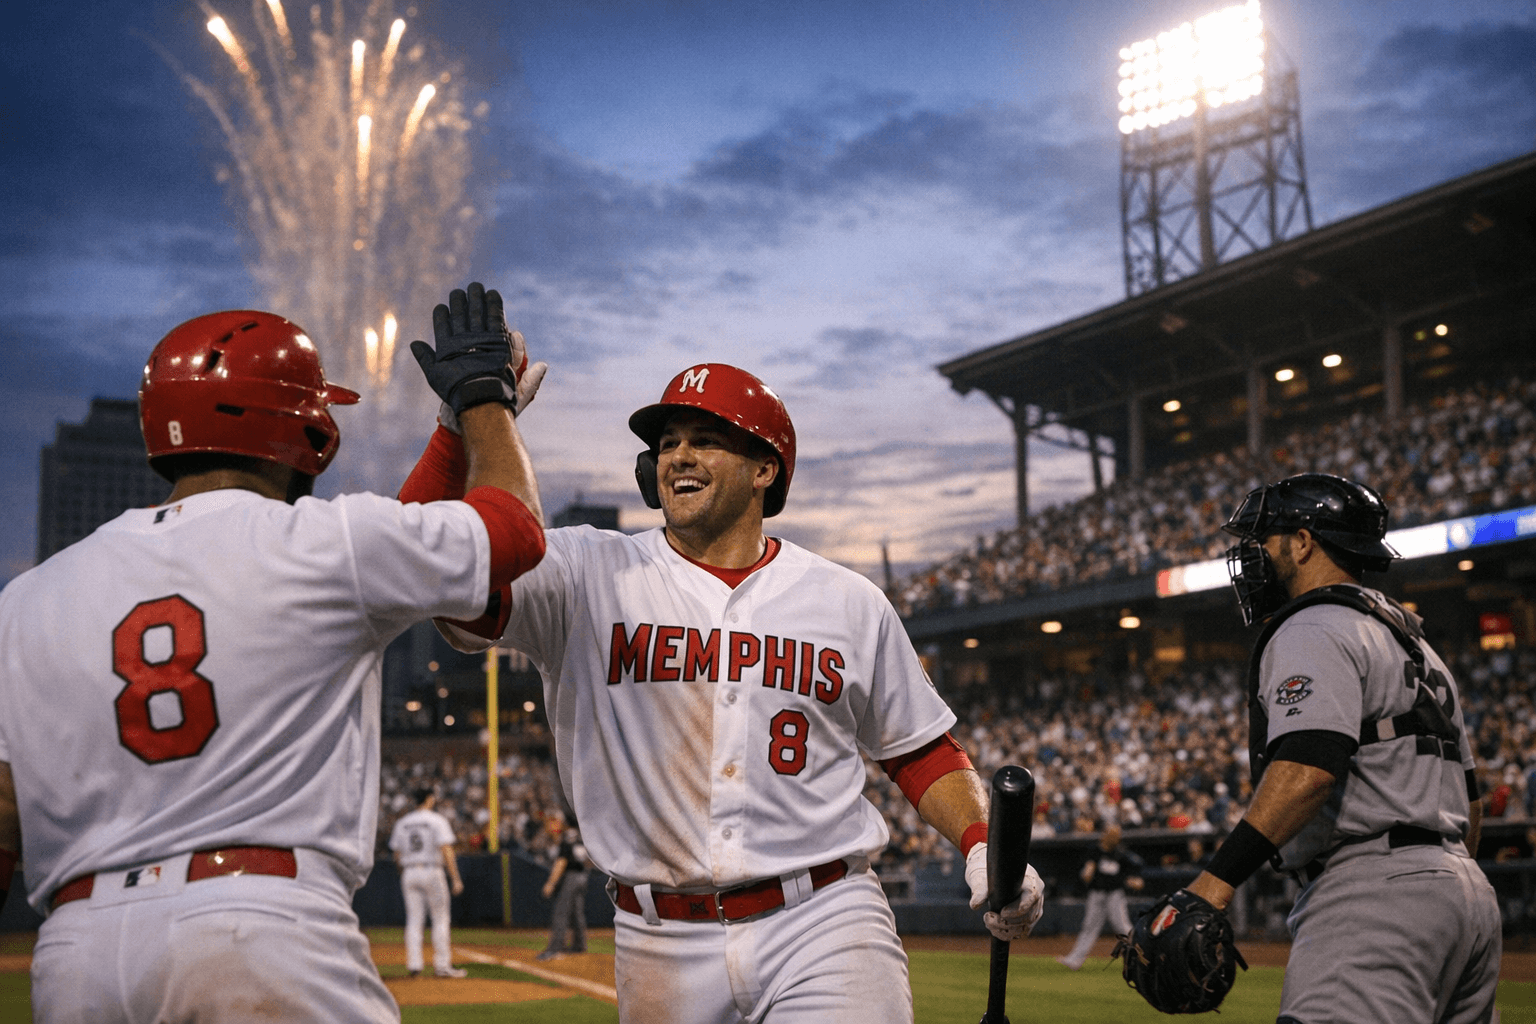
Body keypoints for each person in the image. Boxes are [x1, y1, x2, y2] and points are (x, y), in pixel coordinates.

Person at [432, 363, 1045, 1023]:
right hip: (658, 941)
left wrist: (982, 845)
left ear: (765, 468)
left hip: (824, 922)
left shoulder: (848, 601)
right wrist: (462, 428)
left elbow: (919, 749)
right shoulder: (584, 571)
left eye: (706, 439)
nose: (679, 456)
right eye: (667, 443)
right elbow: (450, 595)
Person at [0, 284, 546, 1022]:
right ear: (308, 429)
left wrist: (448, 433)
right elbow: (510, 531)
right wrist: (485, 399)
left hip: (76, 954)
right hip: (255, 927)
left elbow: (5, 818)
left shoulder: (30, 597)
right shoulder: (320, 543)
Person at [1179, 473, 1501, 1023]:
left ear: (1303, 542)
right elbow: (1471, 810)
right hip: (1468, 897)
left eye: (1265, 540)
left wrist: (1213, 884)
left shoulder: (1315, 624)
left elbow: (1309, 770)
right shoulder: (1416, 644)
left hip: (1374, 896)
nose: (1254, 555)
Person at [390, 788, 468, 978]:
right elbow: (447, 850)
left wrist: (407, 872)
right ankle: (442, 966)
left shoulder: (402, 823)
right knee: (440, 918)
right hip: (432, 870)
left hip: (409, 871)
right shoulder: (436, 820)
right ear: (429, 799)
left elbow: (396, 855)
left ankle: (414, 965)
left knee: (414, 920)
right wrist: (456, 878)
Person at [1056, 823, 1144, 970]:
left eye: (1117, 836)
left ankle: (1142, 957)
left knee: (1123, 927)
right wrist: (1087, 873)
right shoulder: (1094, 851)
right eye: (1112, 835)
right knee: (1089, 927)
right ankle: (1075, 960)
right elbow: (1087, 872)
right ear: (1105, 835)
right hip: (1097, 894)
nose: (1116, 838)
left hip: (1114, 895)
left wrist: (1133, 881)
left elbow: (1135, 875)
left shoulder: (1121, 854)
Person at [538, 820, 591, 960]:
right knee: (577, 913)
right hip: (583, 876)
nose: (552, 825)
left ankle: (555, 949)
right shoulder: (580, 836)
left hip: (572, 877)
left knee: (561, 912)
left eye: (554, 821)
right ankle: (579, 945)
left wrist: (551, 883)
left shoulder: (567, 837)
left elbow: (562, 862)